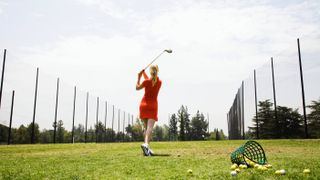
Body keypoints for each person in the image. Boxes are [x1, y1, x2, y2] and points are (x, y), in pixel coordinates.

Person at [136, 65, 162, 156]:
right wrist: (143, 74)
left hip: (143, 105)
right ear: (157, 71)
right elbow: (151, 81)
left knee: (147, 128)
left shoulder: (146, 81)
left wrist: (139, 77)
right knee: (150, 128)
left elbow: (137, 87)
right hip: (152, 106)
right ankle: (146, 145)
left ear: (150, 72)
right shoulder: (159, 82)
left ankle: (147, 148)